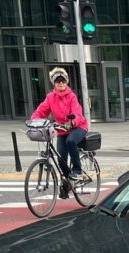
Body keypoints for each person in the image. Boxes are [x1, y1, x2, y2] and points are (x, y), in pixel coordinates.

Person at [31, 67, 88, 195]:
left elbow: (77, 112)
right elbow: (41, 111)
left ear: (66, 82)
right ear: (54, 83)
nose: (60, 83)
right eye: (57, 81)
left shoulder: (71, 96)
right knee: (61, 158)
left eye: (63, 80)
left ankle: (77, 171)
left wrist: (72, 122)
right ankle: (69, 182)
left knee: (71, 141)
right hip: (62, 130)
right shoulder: (51, 97)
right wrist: (33, 121)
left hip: (78, 126)